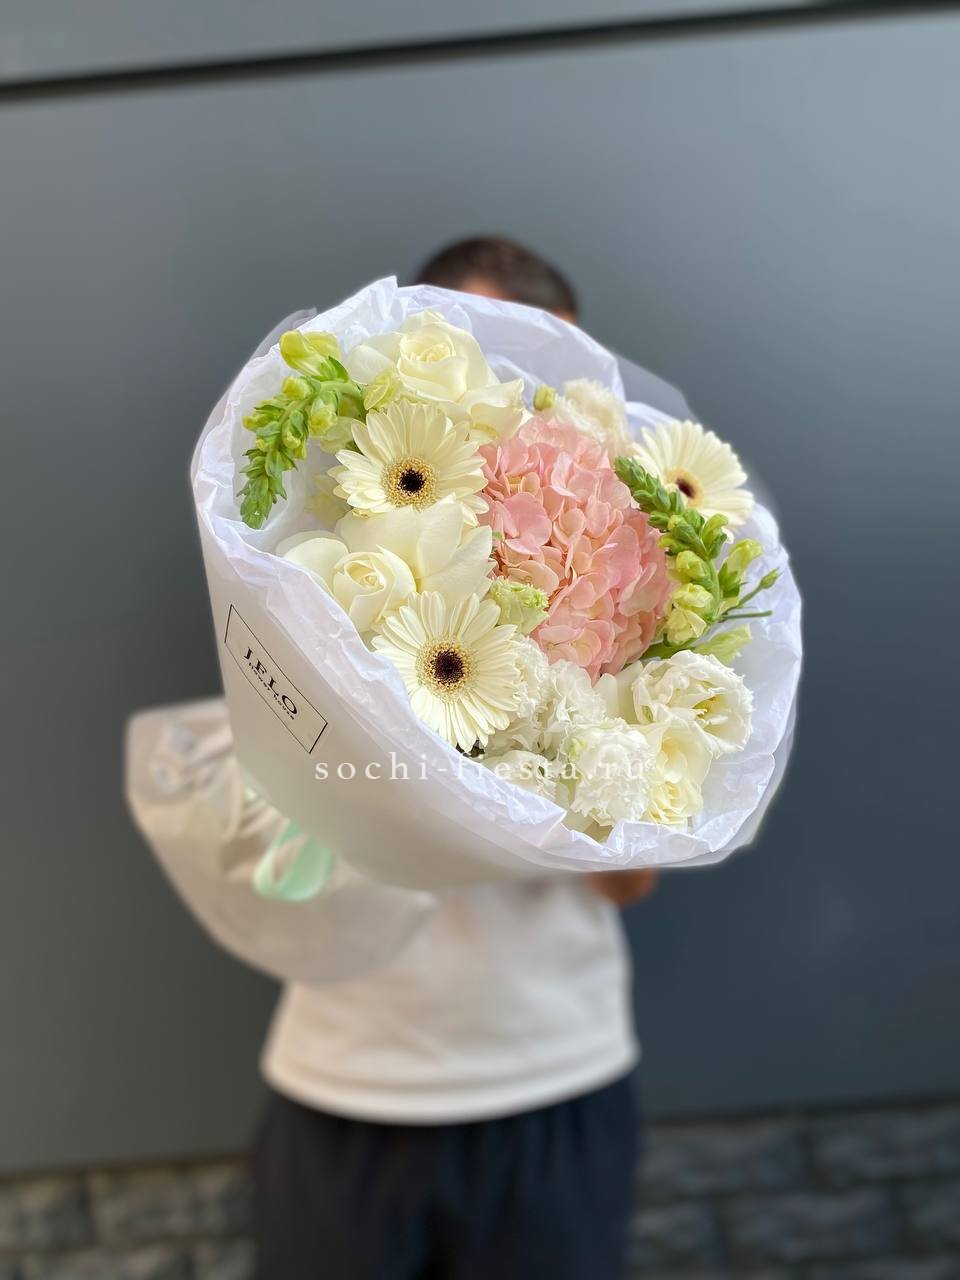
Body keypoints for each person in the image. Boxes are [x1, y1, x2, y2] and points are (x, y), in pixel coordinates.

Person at [130, 238, 691, 1280]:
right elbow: (283, 831)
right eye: (491, 356)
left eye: (548, 373)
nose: (522, 405)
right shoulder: (324, 556)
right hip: (347, 1081)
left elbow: (630, 879)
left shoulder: (624, 588)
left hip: (554, 1071)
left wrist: (570, 730)